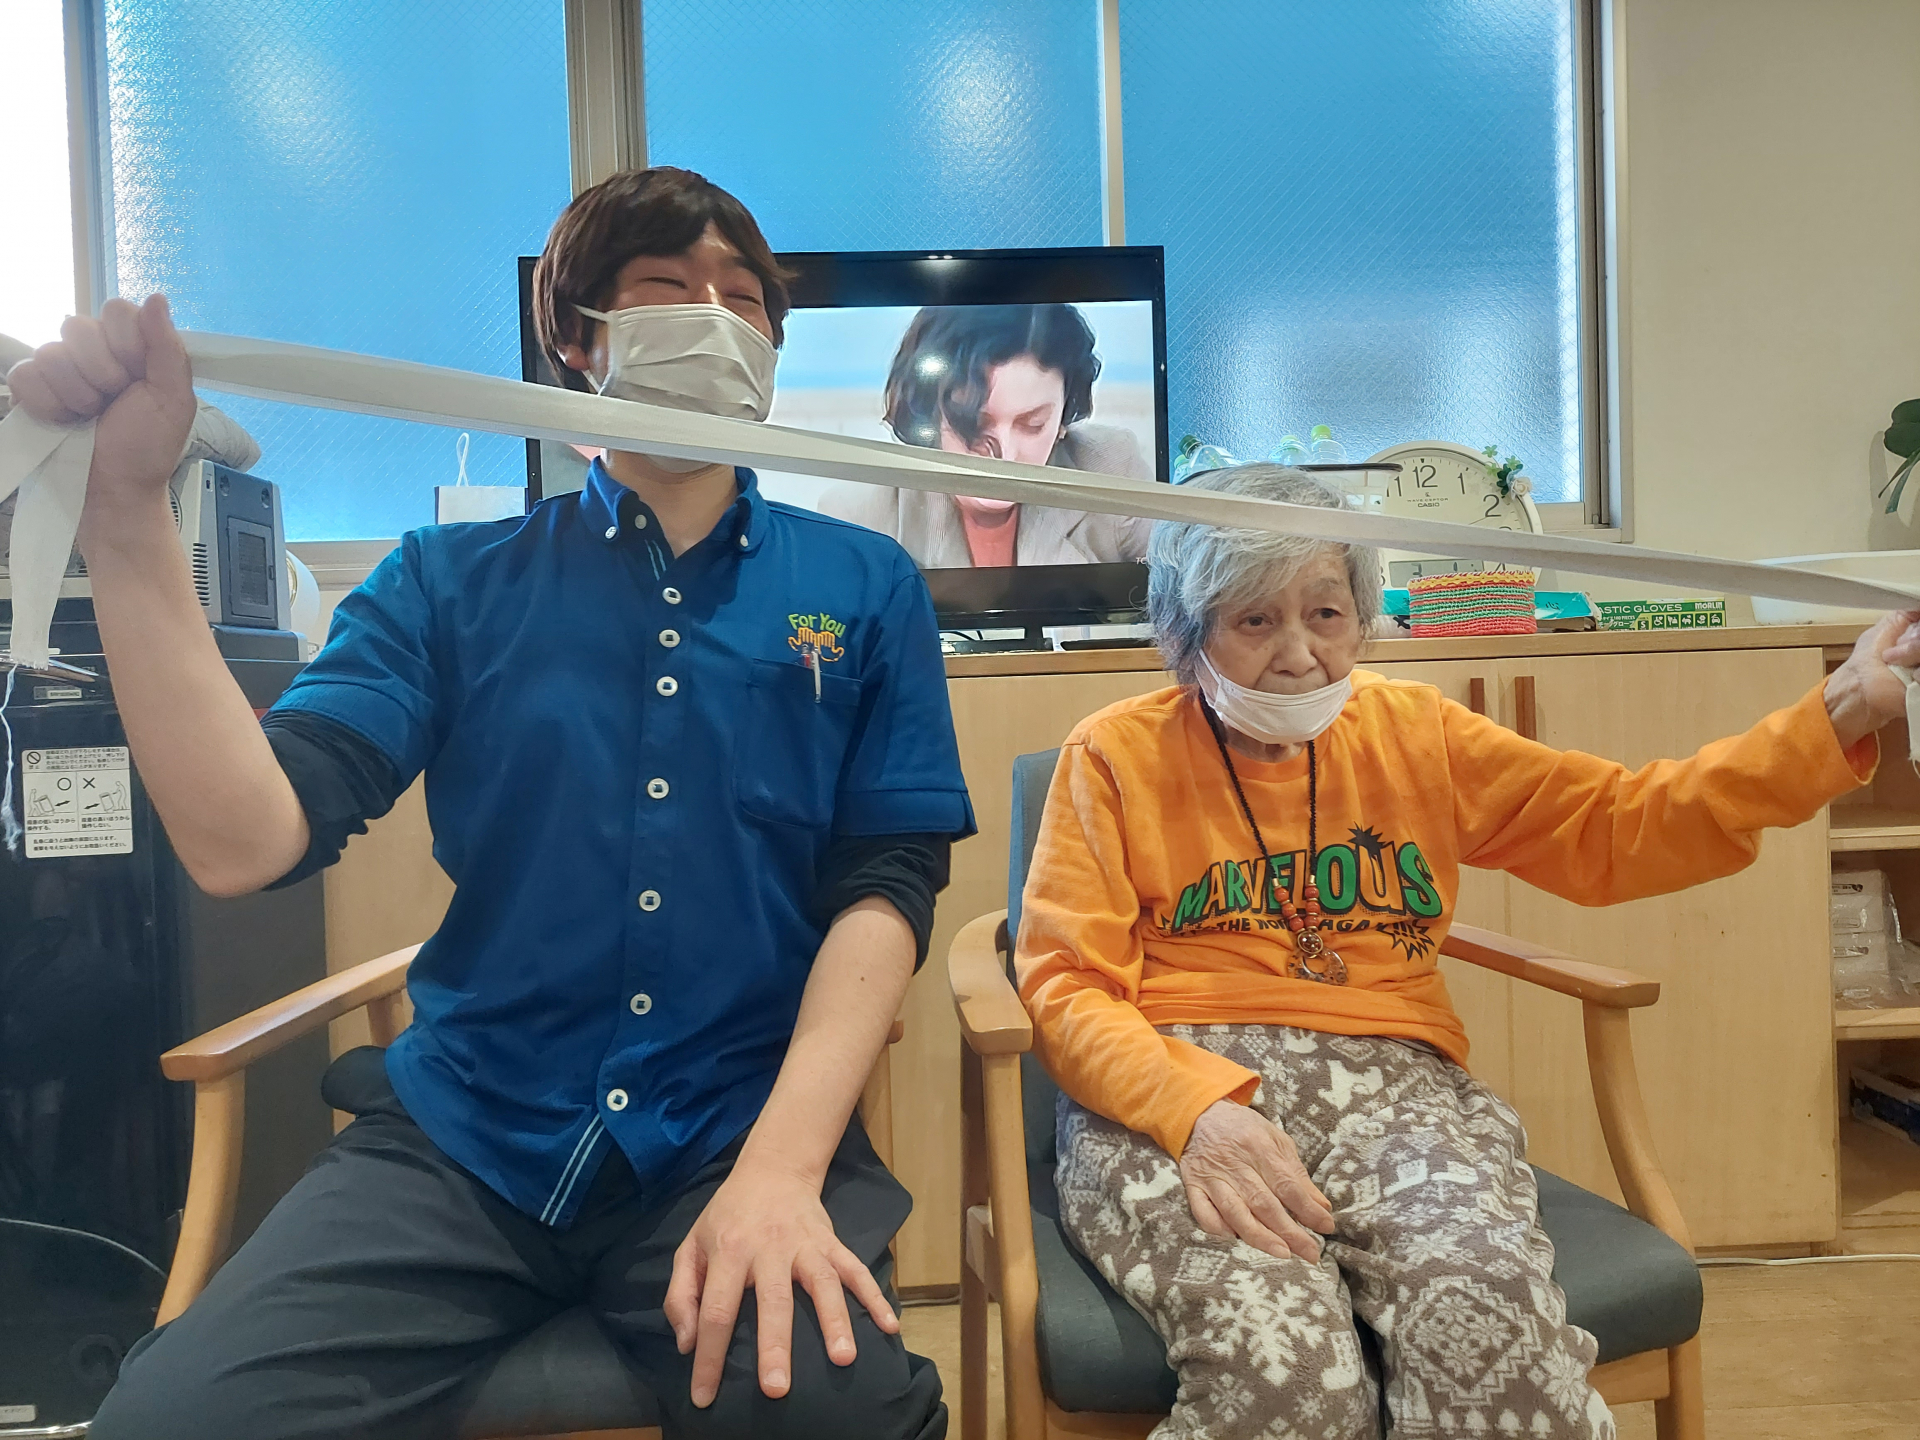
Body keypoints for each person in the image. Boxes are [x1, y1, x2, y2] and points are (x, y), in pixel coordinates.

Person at [6, 166, 971, 1440]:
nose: (714, 321)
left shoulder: (867, 584)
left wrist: (784, 1171)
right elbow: (248, 840)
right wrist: (126, 511)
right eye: (667, 290)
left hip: (733, 1135)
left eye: (744, 302)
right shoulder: (446, 581)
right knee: (171, 1424)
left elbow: (888, 883)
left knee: (846, 1415)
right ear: (576, 340)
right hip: (464, 1139)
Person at [1015, 464, 1917, 1440]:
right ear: (1185, 634)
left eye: (1326, 613)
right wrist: (1196, 1114)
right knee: (1284, 1375)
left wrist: (1844, 708)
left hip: (1396, 1091)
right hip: (1178, 1093)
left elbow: (1621, 825)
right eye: (1254, 621)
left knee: (1488, 1322)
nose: (1301, 655)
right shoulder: (1113, 754)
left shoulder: (1417, 731)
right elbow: (1067, 983)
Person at [819, 303, 1152, 566]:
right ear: (930, 410)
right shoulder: (859, 514)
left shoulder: (1113, 470)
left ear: (1064, 417)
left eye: (1033, 424)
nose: (1004, 455)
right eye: (975, 424)